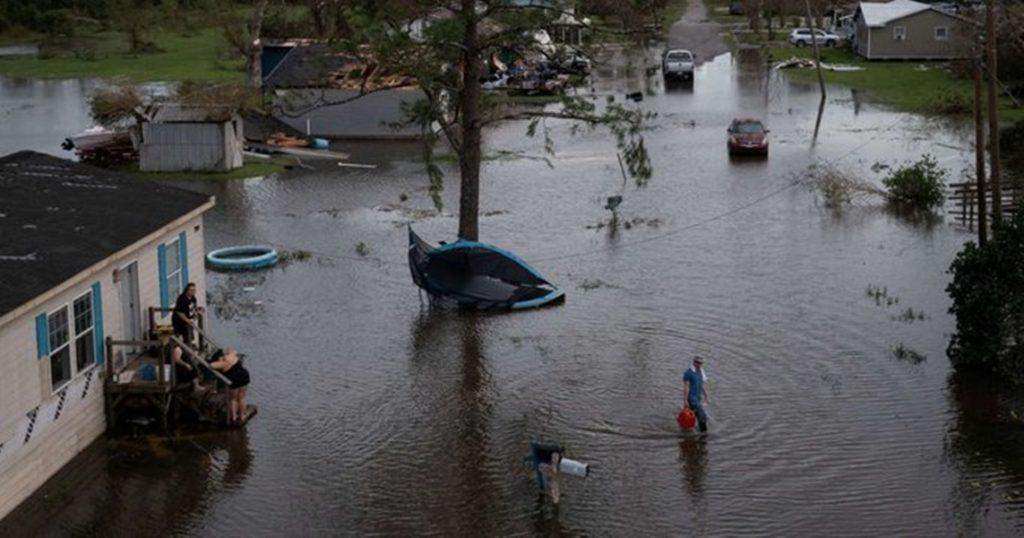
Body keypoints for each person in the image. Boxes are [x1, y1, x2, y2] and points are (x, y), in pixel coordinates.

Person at [209, 349, 251, 425]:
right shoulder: (232, 355)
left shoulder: (222, 363)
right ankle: (242, 416)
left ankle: (234, 417)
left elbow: (211, 365)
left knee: (233, 399)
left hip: (235, 379)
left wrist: (215, 361)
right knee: (242, 397)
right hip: (244, 375)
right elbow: (234, 351)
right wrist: (227, 352)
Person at [682, 356, 710, 432]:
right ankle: (704, 435)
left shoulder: (701, 371)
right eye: (698, 363)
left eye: (701, 363)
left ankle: (687, 429)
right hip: (691, 398)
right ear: (694, 362)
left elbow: (702, 385)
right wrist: (685, 401)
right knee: (702, 416)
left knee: (693, 415)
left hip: (698, 397)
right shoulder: (688, 373)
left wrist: (706, 396)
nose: (700, 364)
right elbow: (686, 387)